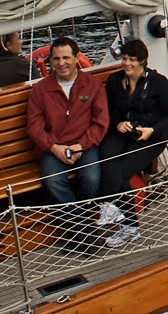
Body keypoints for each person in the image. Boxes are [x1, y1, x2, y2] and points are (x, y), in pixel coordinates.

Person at [26, 36, 108, 253]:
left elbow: (101, 123)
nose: (61, 63)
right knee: (53, 181)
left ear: (75, 58)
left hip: (85, 145)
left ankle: (75, 233)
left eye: (66, 58)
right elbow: (34, 127)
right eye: (56, 59)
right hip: (54, 148)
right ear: (51, 61)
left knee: (91, 179)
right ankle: (85, 235)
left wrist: (82, 146)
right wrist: (54, 147)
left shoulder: (92, 85)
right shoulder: (41, 90)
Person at [98, 39, 168, 247]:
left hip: (150, 136)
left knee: (122, 170)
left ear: (143, 62)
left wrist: (152, 130)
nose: (127, 63)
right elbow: (107, 112)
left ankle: (127, 223)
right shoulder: (115, 81)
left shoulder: (158, 83)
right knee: (106, 157)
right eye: (124, 59)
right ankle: (111, 208)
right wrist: (118, 124)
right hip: (123, 131)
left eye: (132, 60)